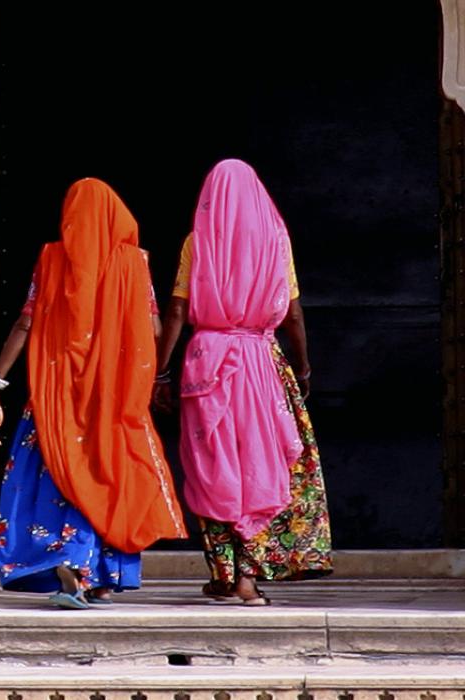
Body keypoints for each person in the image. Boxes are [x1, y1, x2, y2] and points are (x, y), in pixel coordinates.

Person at [0, 178, 188, 610]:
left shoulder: (51, 259)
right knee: (109, 473)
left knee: (60, 475)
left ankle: (71, 567)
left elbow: (26, 322)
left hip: (57, 397)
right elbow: (153, 327)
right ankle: (104, 577)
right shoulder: (135, 263)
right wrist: (147, 373)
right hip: (112, 398)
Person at [153, 159, 332, 606]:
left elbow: (177, 310)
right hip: (261, 363)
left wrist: (161, 370)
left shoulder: (198, 241)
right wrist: (303, 367)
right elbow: (293, 313)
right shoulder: (276, 241)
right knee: (259, 466)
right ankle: (249, 580)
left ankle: (225, 574)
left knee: (213, 468)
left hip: (206, 362)